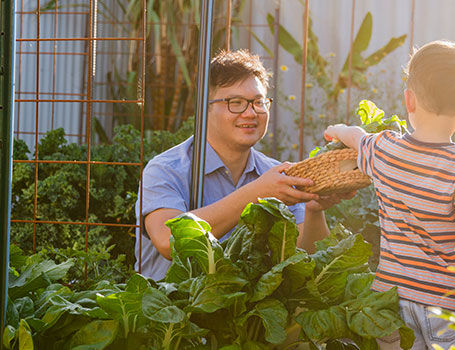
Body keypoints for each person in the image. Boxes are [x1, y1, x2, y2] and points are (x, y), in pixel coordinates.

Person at [323, 40, 455, 350]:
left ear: (408, 101)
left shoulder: (384, 149)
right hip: (447, 306)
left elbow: (356, 137)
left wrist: (336, 129)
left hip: (390, 303)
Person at [136, 49, 346, 280]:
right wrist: (256, 194)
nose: (250, 113)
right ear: (205, 108)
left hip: (247, 313)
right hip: (172, 310)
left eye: (258, 102)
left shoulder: (274, 175)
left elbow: (308, 256)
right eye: (235, 102)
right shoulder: (166, 170)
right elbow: (169, 241)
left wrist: (313, 210)